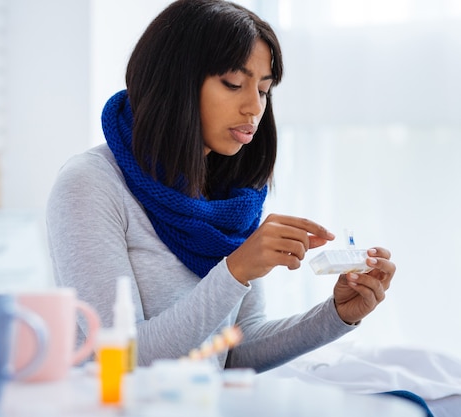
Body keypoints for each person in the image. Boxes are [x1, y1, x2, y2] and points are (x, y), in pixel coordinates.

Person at [46, 0, 395, 372]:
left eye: (263, 90)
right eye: (233, 84)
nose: (254, 108)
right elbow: (124, 358)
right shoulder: (90, 185)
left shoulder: (232, 199)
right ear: (173, 81)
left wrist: (337, 314)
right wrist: (235, 271)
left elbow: (232, 352)